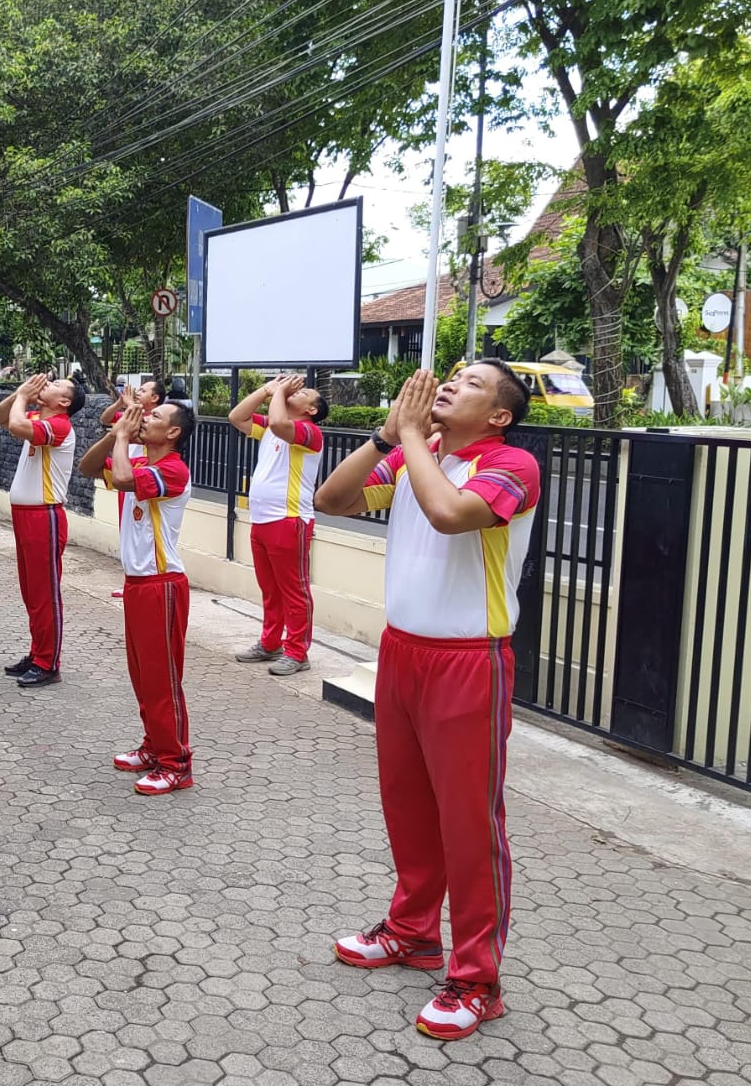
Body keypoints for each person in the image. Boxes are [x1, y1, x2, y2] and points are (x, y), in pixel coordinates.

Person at [314, 361, 540, 1042]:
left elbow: (449, 516)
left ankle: (477, 980)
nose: (449, 384)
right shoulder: (419, 454)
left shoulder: (511, 465)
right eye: (452, 377)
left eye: (471, 384)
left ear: (499, 414)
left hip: (469, 662)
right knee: (408, 807)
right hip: (402, 653)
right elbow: (332, 499)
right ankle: (412, 933)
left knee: (469, 824)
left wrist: (412, 437)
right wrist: (386, 439)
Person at [77, 400, 197, 794]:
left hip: (162, 585)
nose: (145, 418)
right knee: (142, 677)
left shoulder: (173, 469)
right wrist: (116, 434)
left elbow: (123, 479)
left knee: (162, 681)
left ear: (173, 432)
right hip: (137, 584)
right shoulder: (140, 462)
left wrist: (124, 437)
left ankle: (176, 763)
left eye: (155, 417)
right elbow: (88, 468)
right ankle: (153, 746)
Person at [228, 374, 330, 676]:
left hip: (289, 520)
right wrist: (266, 390)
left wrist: (280, 392)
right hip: (262, 519)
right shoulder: (273, 427)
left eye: (304, 393)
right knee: (270, 589)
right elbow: (236, 417)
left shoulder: (309, 432)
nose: (296, 391)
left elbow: (278, 424)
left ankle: (297, 651)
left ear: (311, 410)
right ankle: (270, 642)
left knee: (294, 590)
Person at [0, 372, 85, 687]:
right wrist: (21, 393)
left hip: (44, 517)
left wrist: (22, 396)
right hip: (25, 516)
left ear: (64, 402)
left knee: (45, 594)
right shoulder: (37, 418)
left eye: (56, 385)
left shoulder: (59, 425)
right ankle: (37, 653)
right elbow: (0, 417)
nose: (49, 383)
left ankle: (48, 663)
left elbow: (16, 426)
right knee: (31, 592)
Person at [99, 377, 167, 598]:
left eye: (144, 391)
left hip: (143, 479)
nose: (138, 392)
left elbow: (139, 429)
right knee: (127, 530)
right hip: (126, 476)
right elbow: (105, 419)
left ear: (155, 398)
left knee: (144, 531)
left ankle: (143, 576)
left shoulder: (154, 422)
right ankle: (128, 577)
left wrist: (130, 405)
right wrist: (120, 403)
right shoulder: (131, 414)